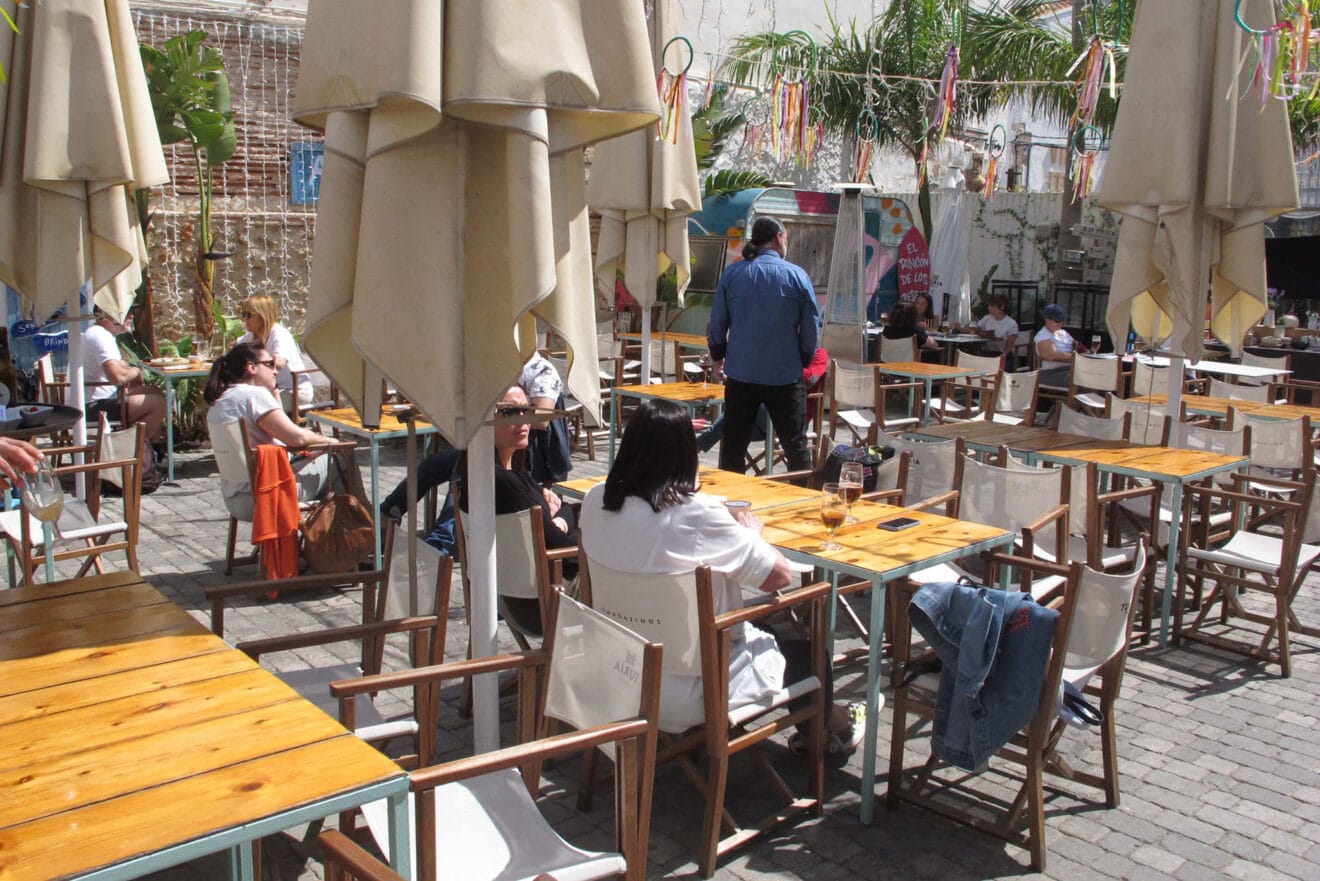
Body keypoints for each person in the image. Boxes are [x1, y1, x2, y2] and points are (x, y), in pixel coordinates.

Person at [580, 399, 863, 754]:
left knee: (757, 629)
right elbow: (779, 577)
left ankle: (828, 723)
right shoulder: (696, 516)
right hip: (692, 688)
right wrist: (749, 535)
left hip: (618, 673)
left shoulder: (594, 501)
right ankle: (828, 735)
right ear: (687, 454)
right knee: (805, 648)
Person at [456, 384, 577, 635]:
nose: (523, 420)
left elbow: (554, 513)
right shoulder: (505, 483)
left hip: (497, 595)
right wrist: (562, 520)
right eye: (510, 412)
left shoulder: (477, 473)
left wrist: (556, 514)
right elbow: (560, 543)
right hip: (541, 606)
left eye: (525, 410)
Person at [707, 216, 819, 474]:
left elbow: (717, 324)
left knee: (733, 446)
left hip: (741, 374)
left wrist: (718, 355)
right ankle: (801, 502)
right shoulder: (797, 276)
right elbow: (811, 328)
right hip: (785, 374)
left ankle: (732, 504)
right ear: (779, 238)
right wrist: (803, 357)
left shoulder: (732, 273)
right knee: (796, 446)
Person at [204, 342, 338, 517]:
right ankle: (365, 529)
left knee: (330, 470)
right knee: (339, 457)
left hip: (235, 498)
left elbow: (283, 438)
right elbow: (296, 438)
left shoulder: (220, 401)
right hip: (265, 495)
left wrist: (275, 394)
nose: (276, 371)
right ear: (251, 367)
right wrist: (330, 441)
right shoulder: (253, 395)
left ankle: (329, 536)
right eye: (270, 364)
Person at [697, 347, 827, 454]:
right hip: (763, 422)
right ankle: (699, 450)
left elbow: (810, 379)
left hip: (792, 422)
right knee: (732, 422)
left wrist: (778, 365)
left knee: (736, 414)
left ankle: (696, 447)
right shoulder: (782, 352)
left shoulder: (819, 354)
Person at [83, 309, 166, 443]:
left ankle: (151, 454)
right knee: (158, 404)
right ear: (105, 316)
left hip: (92, 401)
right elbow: (117, 377)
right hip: (91, 408)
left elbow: (117, 365)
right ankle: (133, 454)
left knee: (154, 391)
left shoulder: (96, 332)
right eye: (125, 312)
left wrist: (129, 367)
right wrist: (138, 371)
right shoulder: (101, 336)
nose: (131, 315)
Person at [236, 294, 313, 411]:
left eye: (249, 315)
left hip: (294, 391)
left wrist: (256, 365)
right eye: (244, 314)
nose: (245, 319)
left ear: (263, 316)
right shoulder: (253, 335)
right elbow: (233, 347)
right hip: (271, 389)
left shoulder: (279, 333)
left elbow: (280, 362)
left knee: (254, 406)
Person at [1034, 303, 1088, 385]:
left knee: (1097, 376)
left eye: (1062, 320)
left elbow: (1078, 346)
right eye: (1057, 321)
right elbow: (1051, 355)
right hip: (1051, 373)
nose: (1060, 324)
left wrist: (1086, 353)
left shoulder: (1063, 333)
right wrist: (1076, 357)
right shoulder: (1043, 336)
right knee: (1085, 381)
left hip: (1071, 369)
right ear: (1047, 319)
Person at [963, 293, 1020, 360]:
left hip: (1004, 355)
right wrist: (960, 328)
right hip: (988, 353)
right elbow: (975, 330)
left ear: (1002, 307)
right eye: (989, 305)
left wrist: (1000, 358)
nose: (989, 308)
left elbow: (1009, 347)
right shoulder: (987, 318)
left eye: (992, 306)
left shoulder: (1011, 324)